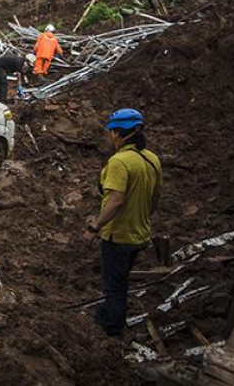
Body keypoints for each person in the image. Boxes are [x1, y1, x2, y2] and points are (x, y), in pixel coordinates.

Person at [82, 108, 162, 337]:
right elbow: (155, 198)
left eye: (111, 132)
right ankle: (104, 315)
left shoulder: (119, 162)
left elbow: (116, 200)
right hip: (140, 233)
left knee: (114, 287)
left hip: (118, 235)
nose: (109, 136)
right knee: (120, 279)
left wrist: (94, 227)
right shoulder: (152, 159)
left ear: (119, 133)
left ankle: (111, 330)